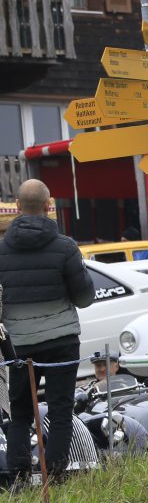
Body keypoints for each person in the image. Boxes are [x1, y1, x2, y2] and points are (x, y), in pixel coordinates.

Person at [0, 179, 94, 487]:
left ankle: (19, 479)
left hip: (19, 344)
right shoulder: (65, 247)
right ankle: (54, 476)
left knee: (21, 413)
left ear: (16, 205)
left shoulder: (1, 250)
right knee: (60, 410)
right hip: (62, 341)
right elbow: (84, 298)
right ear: (48, 205)